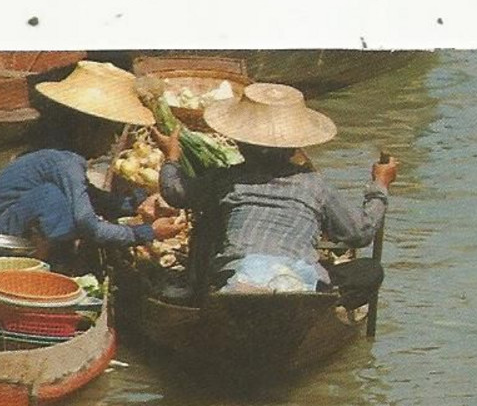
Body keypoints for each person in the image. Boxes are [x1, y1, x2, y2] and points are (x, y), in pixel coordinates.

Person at [152, 81, 397, 305]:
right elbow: (360, 233)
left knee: (208, 220)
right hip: (299, 283)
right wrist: (380, 185)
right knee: (370, 271)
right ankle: (324, 307)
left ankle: (200, 292)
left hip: (237, 275)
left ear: (240, 144)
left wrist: (172, 157)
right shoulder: (314, 184)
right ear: (292, 148)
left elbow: (176, 193)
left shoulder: (226, 179)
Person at [0, 62, 184, 269]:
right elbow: (89, 226)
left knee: (60, 198)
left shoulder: (64, 157)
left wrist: (136, 202)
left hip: (3, 236)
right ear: (86, 131)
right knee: (53, 198)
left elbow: (93, 198)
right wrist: (148, 233)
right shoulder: (66, 163)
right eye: (110, 133)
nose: (112, 143)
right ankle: (48, 263)